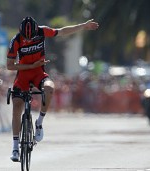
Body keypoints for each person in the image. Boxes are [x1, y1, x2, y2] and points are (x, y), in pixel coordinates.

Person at [7, 16, 99, 161]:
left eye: (32, 38)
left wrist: (83, 26)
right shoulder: (16, 40)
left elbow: (62, 31)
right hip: (23, 75)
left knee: (50, 88)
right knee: (17, 106)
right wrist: (30, 66)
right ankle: (15, 147)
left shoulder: (43, 31)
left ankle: (39, 123)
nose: (30, 40)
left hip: (39, 74)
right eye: (27, 38)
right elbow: (10, 65)